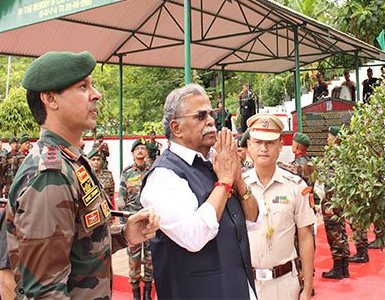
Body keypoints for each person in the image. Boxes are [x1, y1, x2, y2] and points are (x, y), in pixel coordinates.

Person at [7, 50, 159, 298]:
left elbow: (78, 242)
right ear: (51, 99)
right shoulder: (49, 174)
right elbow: (44, 292)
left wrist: (124, 234)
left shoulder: (73, 161)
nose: (96, 94)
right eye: (82, 86)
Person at [141, 83, 260, 299]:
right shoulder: (164, 176)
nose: (211, 121)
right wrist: (224, 181)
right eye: (200, 115)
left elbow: (254, 221)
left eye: (211, 114)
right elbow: (193, 236)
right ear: (176, 128)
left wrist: (238, 179)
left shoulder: (215, 162)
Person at [243, 114, 315, 300]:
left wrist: (307, 288)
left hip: (283, 285)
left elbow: (306, 237)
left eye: (270, 143)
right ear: (249, 145)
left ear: (280, 146)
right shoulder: (238, 187)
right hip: (246, 284)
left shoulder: (295, 186)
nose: (264, 149)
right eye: (258, 142)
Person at [119, 138, 154, 300]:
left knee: (149, 258)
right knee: (133, 258)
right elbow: (121, 200)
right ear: (133, 153)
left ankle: (147, 291)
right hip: (133, 221)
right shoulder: (127, 173)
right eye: (137, 149)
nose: (140, 151)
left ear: (146, 153)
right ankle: (135, 293)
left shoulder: (153, 170)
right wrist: (122, 225)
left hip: (148, 222)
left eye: (143, 148)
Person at [320, 126, 351, 280]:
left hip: (333, 201)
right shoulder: (344, 155)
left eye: (329, 136)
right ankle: (344, 267)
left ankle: (338, 268)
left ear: (336, 138)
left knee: (334, 234)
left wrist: (330, 204)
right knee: (341, 232)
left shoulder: (334, 156)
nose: (327, 139)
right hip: (340, 201)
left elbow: (331, 182)